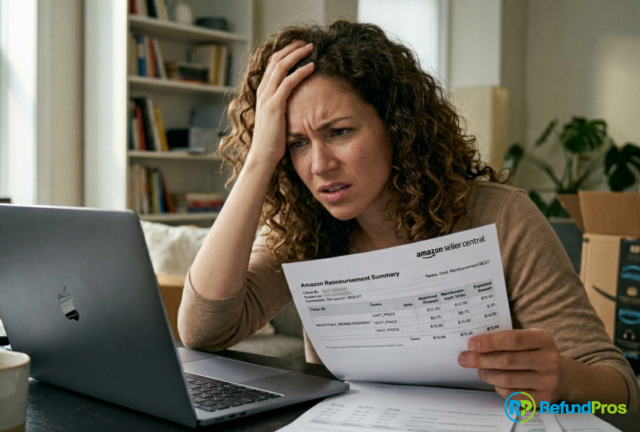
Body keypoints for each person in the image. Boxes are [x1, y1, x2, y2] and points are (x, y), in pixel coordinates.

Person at [177, 20, 638, 410]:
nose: (319, 165)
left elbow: (621, 395)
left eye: (339, 132)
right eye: (297, 143)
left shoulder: (500, 216)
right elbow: (203, 331)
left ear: (397, 128)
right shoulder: (304, 227)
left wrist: (564, 381)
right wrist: (260, 157)